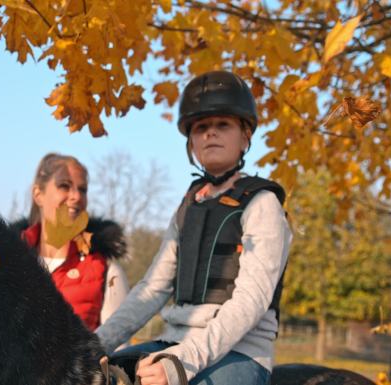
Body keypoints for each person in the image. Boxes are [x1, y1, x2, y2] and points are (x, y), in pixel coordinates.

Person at [96, 71, 292, 385]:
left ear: (245, 137)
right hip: (172, 343)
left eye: (223, 125)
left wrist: (182, 361)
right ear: (191, 140)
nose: (211, 133)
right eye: (201, 127)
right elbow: (152, 288)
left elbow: (251, 301)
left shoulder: (262, 203)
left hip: (239, 352)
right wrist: (93, 344)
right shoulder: (188, 206)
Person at [19, 153, 129, 331]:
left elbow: (117, 350)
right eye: (64, 186)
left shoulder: (107, 271)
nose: (76, 196)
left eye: (83, 189)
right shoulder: (7, 260)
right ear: (38, 194)